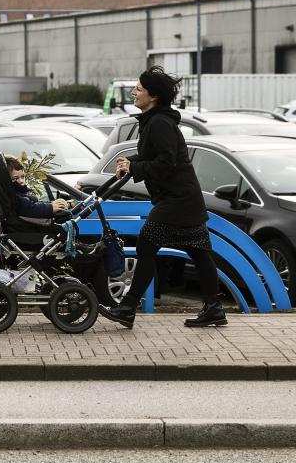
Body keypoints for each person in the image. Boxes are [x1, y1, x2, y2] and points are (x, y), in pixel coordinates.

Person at [97, 66, 227, 329]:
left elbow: (167, 162)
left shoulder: (159, 123)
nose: (134, 92)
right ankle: (214, 308)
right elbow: (155, 157)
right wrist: (131, 161)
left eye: (139, 89)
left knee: (147, 244)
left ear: (153, 96)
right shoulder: (155, 120)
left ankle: (127, 308)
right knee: (200, 252)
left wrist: (135, 167)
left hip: (177, 200)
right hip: (182, 199)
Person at [6, 157, 71, 223]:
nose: (21, 181)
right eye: (15, 178)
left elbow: (33, 204)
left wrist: (50, 204)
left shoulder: (22, 192)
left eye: (23, 176)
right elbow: (29, 208)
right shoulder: (14, 196)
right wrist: (51, 207)